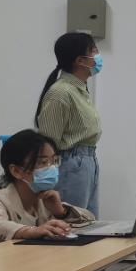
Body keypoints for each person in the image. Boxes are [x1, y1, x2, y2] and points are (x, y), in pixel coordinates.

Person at [0, 129, 94, 249]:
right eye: (42, 162)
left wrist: (62, 212)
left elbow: (91, 220)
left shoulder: (44, 199)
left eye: (54, 161)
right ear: (16, 171)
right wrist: (31, 231)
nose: (52, 168)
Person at [35, 32, 102, 215]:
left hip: (87, 161)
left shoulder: (79, 89)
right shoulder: (60, 93)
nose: (98, 55)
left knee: (88, 221)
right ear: (80, 60)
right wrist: (45, 181)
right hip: (71, 164)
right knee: (72, 222)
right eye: (93, 51)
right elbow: (48, 143)